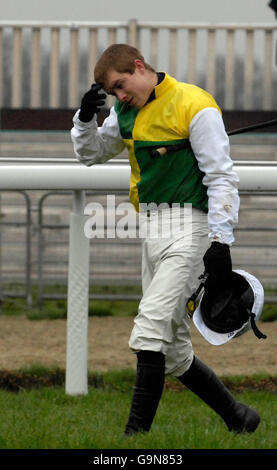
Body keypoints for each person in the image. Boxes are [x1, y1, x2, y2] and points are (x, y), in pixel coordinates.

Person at [71, 43, 260, 436]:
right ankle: (239, 418)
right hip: (152, 229)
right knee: (172, 351)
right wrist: (87, 118)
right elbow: (91, 154)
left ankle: (133, 438)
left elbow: (221, 177)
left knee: (149, 329)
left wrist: (220, 243)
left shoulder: (194, 103)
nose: (120, 97)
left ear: (139, 66)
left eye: (122, 86)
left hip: (191, 229)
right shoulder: (124, 112)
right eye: (113, 93)